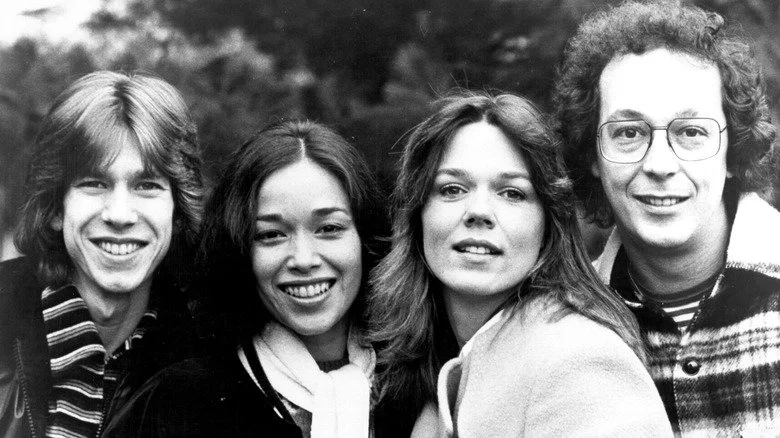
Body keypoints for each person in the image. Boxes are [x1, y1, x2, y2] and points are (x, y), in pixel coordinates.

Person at [368, 92, 672, 437]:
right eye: (452, 189)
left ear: (548, 226)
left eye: (512, 193)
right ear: (418, 214)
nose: (478, 211)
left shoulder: (578, 358)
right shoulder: (423, 371)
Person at [553, 1, 779, 435]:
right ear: (592, 155)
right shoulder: (562, 328)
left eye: (691, 132)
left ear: (733, 151)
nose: (660, 164)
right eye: (628, 133)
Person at [103, 120, 389, 437]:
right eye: (271, 235)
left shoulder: (415, 386)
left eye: (329, 229)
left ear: (365, 236)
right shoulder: (177, 401)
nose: (303, 260)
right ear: (238, 248)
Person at [0, 71, 203, 438]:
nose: (120, 215)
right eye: (94, 183)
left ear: (177, 211)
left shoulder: (207, 364)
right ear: (56, 207)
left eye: (146, 185)